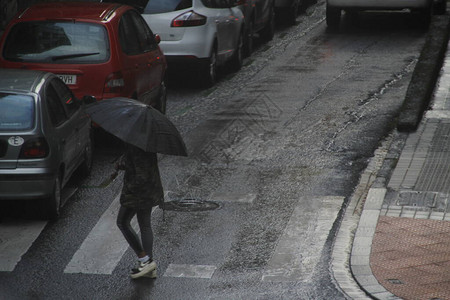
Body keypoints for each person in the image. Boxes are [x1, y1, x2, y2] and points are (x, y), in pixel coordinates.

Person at [114, 143, 164, 279]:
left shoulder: (136, 144)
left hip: (138, 192)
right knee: (145, 225)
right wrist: (122, 163)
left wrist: (129, 189)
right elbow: (140, 164)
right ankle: (149, 265)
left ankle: (145, 260)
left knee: (122, 222)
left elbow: (141, 174)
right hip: (150, 189)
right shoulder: (147, 141)